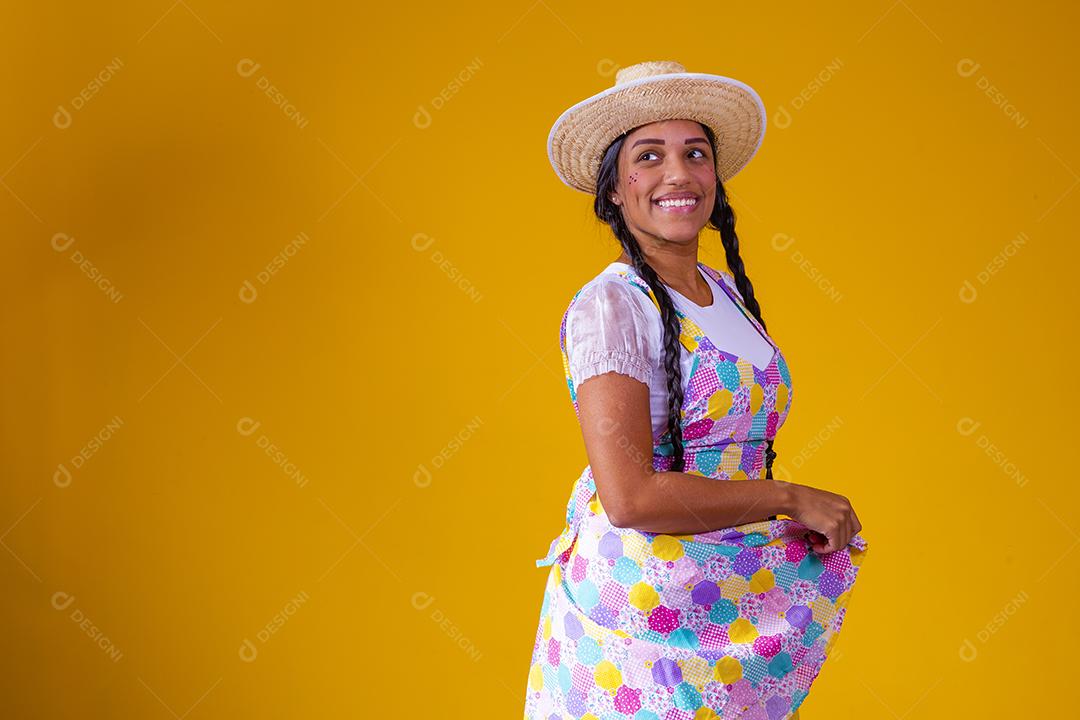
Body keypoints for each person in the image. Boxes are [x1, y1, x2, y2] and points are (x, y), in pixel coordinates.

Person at [524, 60, 869, 720]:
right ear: (614, 189)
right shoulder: (613, 307)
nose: (678, 174)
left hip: (719, 602)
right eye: (649, 156)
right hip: (638, 624)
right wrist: (788, 497)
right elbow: (629, 498)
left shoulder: (726, 292)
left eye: (696, 154)